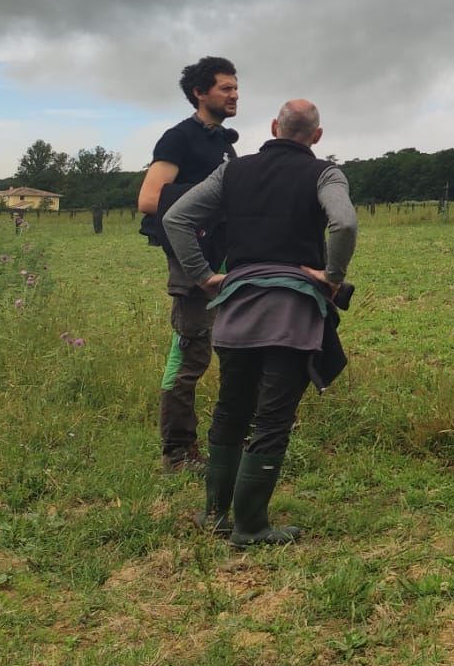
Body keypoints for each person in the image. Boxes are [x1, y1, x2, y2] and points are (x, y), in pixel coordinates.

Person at [163, 98, 358, 549]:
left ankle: (215, 515)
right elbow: (344, 224)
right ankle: (251, 526)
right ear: (317, 136)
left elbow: (176, 218)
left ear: (273, 127)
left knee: (231, 408)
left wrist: (204, 277)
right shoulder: (325, 173)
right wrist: (332, 277)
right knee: (272, 418)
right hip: (292, 314)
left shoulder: (233, 171)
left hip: (236, 309)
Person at [137, 56, 240, 474]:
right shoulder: (178, 139)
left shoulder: (223, 142)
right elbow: (148, 200)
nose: (234, 95)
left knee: (226, 351)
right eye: (225, 88)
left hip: (224, 263)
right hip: (191, 264)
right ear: (200, 93)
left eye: (236, 88)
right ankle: (176, 453)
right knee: (188, 357)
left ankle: (222, 439)